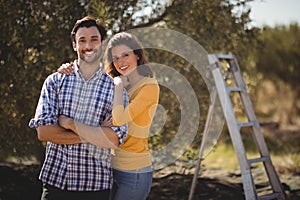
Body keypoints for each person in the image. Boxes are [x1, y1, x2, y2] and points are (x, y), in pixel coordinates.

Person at [29, 16, 128, 200]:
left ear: (102, 44)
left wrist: (68, 122)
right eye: (82, 40)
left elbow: (114, 139)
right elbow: (44, 133)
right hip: (55, 183)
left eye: (94, 40)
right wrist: (97, 134)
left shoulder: (116, 90)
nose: (88, 45)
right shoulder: (55, 82)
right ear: (74, 45)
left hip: (95, 187)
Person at [58, 32, 160, 200]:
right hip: (108, 169)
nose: (121, 62)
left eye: (125, 55)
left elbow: (119, 119)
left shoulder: (149, 86)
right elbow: (85, 78)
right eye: (116, 58)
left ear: (137, 54)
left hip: (134, 172)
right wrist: (66, 69)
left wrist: (118, 86)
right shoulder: (110, 78)